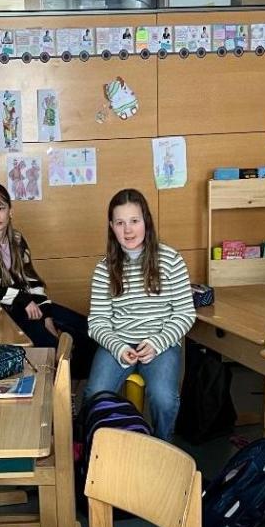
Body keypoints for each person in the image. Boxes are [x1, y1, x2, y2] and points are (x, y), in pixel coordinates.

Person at [85, 188, 195, 440]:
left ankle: (161, 446)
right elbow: (98, 322)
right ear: (111, 227)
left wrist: (157, 343)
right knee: (94, 394)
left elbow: (185, 313)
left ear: (146, 221)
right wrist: (118, 346)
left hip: (160, 343)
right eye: (120, 223)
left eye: (134, 221)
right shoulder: (104, 269)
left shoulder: (171, 259)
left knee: (164, 398)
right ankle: (99, 450)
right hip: (118, 343)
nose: (128, 230)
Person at [0, 181, 93, 377]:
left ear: (10, 211)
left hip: (25, 305)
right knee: (51, 346)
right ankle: (64, 385)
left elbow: (32, 281)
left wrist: (46, 315)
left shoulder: (17, 239)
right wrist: (23, 299)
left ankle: (85, 381)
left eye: (1, 208)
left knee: (88, 328)